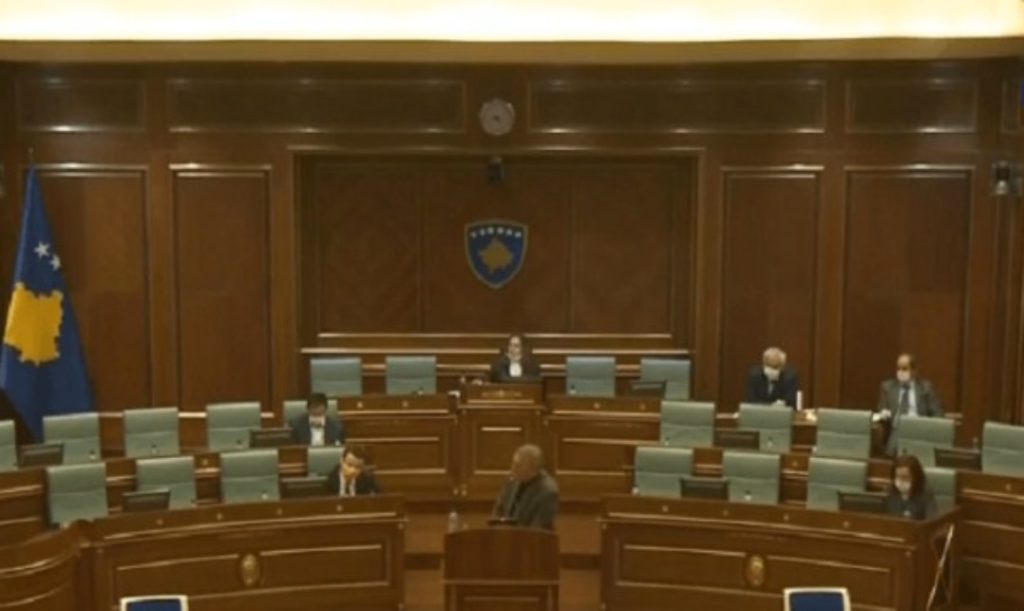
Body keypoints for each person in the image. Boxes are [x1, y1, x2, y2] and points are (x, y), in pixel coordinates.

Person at [877, 353, 943, 455]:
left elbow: (938, 415)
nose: (900, 372)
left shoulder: (926, 388)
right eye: (898, 368)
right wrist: (884, 414)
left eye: (904, 369)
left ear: (914, 371)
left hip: (919, 430)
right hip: (896, 430)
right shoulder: (888, 387)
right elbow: (881, 411)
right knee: (894, 441)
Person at [490, 444, 559, 530]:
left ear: (533, 470)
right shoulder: (511, 481)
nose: (512, 469)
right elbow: (497, 512)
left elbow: (538, 529)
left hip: (530, 537)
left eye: (518, 466)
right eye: (513, 464)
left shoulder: (547, 492)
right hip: (506, 536)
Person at [885, 454, 937, 520]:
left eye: (905, 477)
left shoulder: (926, 494)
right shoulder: (889, 492)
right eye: (897, 476)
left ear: (916, 477)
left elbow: (932, 521)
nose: (900, 481)